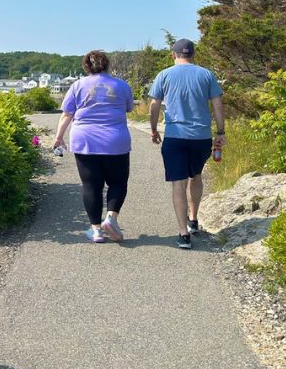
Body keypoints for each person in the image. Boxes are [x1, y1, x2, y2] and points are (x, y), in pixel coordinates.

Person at [148, 38, 225, 249]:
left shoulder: (164, 75)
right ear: (193, 54)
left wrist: (154, 130)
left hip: (175, 136)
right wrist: (220, 131)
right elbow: (217, 104)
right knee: (196, 175)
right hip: (201, 137)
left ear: (173, 55)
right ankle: (193, 219)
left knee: (178, 183)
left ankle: (183, 235)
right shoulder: (206, 74)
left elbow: (154, 105)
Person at [53, 50, 134, 243]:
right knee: (118, 182)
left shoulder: (77, 86)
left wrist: (58, 137)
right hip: (116, 141)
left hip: (85, 140)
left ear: (86, 67)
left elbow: (67, 114)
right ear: (107, 65)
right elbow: (128, 108)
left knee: (91, 186)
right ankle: (111, 219)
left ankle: (96, 230)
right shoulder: (121, 86)